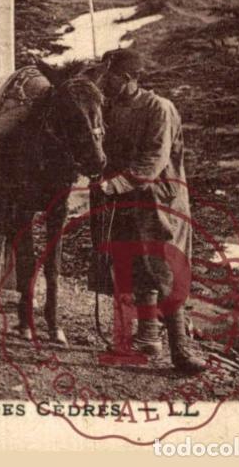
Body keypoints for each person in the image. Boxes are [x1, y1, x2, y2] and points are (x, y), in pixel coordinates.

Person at [93, 48, 206, 375]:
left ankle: (181, 350)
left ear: (127, 78)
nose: (104, 81)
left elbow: (153, 161)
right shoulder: (110, 108)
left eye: (109, 76)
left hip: (160, 200)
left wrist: (113, 185)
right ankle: (147, 337)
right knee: (132, 265)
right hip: (126, 199)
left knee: (164, 269)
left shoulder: (159, 109)